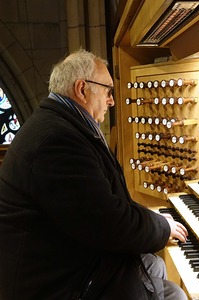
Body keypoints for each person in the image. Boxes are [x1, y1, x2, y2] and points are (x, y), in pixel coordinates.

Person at [0, 49, 189, 300]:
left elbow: (100, 205)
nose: (112, 101)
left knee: (153, 264)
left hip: (65, 256)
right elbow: (108, 221)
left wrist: (150, 219)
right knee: (174, 294)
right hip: (55, 283)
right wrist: (160, 227)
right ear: (82, 89)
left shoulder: (59, 125)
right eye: (108, 90)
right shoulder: (57, 141)